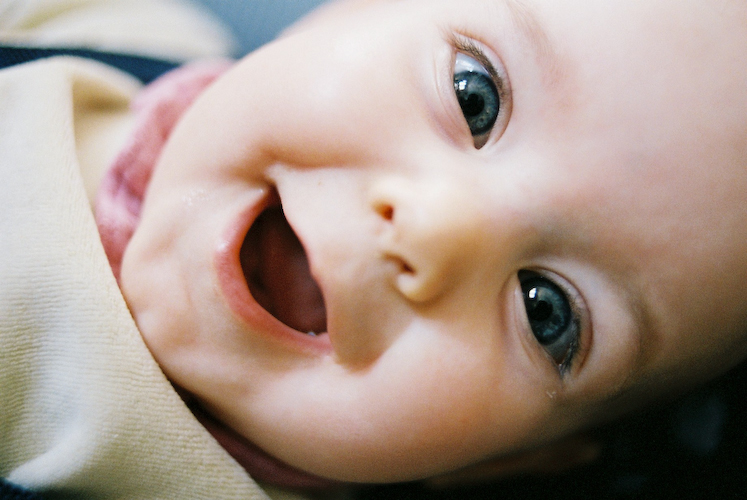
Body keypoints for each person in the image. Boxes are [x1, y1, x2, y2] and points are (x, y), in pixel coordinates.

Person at [2, 0, 747, 498]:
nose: (442, 230)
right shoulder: (108, 30)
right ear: (344, 12)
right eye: (474, 95)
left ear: (506, 462)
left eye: (545, 311)